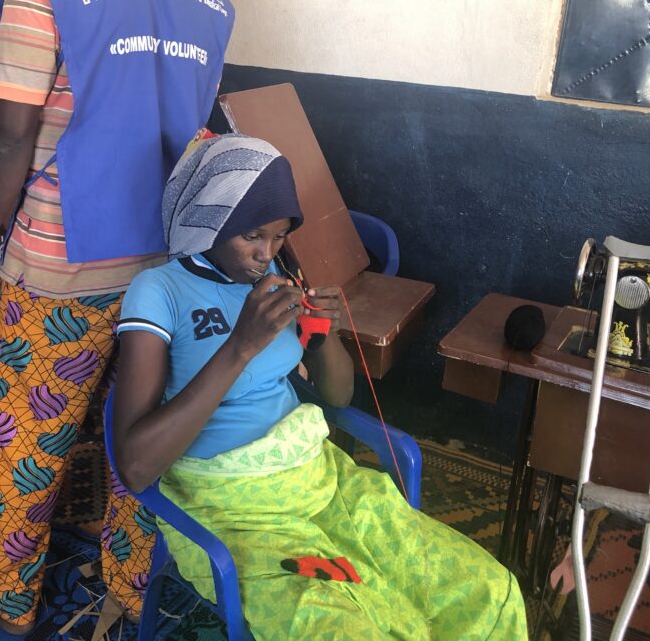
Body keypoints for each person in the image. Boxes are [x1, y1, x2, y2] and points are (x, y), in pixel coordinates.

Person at [0, 0, 234, 634]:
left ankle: (9, 598)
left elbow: (8, 133)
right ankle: (132, 587)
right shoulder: (208, 4)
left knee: (31, 440)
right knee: (139, 439)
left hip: (59, 267)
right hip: (164, 270)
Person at [112, 133, 529, 640]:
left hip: (320, 482)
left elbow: (337, 397)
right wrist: (240, 346)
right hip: (234, 510)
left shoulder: (277, 282)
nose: (265, 254)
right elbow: (134, 466)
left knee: (485, 588)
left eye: (280, 236)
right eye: (252, 236)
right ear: (211, 216)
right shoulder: (159, 291)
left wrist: (325, 337)